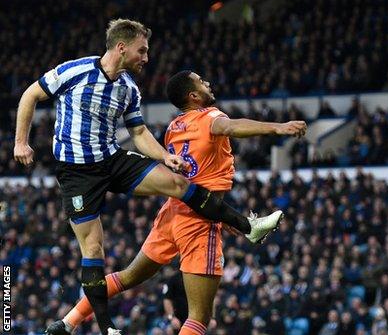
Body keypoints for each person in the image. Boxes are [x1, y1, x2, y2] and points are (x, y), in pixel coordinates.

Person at [14, 19, 281, 334]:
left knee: (178, 184)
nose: (146, 57)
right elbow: (31, 95)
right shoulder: (74, 71)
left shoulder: (128, 89)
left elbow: (138, 132)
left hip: (111, 159)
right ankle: (102, 327)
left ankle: (248, 227)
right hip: (76, 173)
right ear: (122, 47)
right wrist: (21, 141)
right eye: (142, 51)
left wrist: (165, 156)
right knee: (94, 249)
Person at [45, 70, 307, 335]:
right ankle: (251, 227)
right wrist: (278, 127)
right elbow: (230, 127)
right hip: (199, 222)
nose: (207, 83)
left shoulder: (173, 128)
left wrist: (222, 214)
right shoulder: (210, 116)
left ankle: (68, 322)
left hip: (172, 213)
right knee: (199, 318)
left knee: (129, 276)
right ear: (193, 96)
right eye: (201, 82)